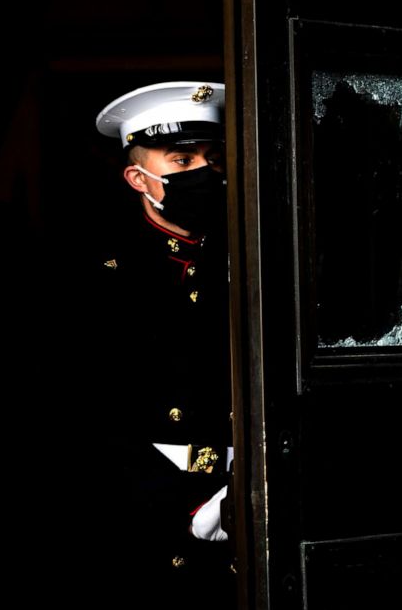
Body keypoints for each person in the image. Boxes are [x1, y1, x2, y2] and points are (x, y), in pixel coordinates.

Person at [76, 81, 236, 601]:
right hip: (143, 514)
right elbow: (84, 411)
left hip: (244, 502)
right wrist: (184, 507)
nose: (204, 175)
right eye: (182, 161)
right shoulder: (97, 272)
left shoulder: (253, 256)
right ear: (137, 178)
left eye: (213, 160)